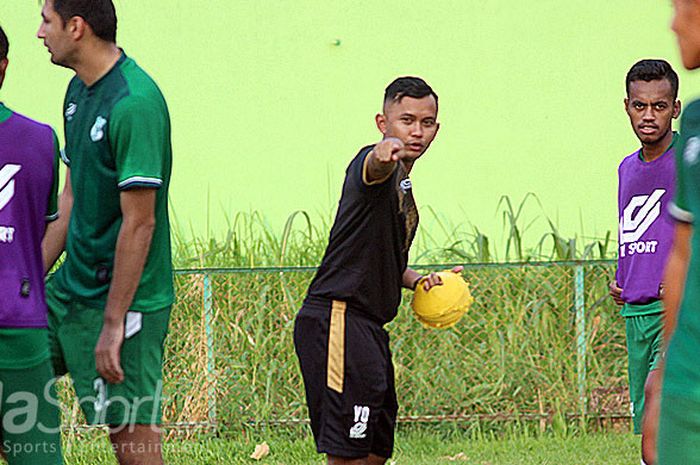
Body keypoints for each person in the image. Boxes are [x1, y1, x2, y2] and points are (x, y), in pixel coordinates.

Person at [294, 76, 461, 465]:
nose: (416, 131)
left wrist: (418, 279)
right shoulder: (374, 167)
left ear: (437, 128)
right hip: (339, 318)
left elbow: (387, 261)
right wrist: (381, 154)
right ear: (382, 123)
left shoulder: (403, 185)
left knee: (374, 451)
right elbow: (372, 167)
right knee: (347, 454)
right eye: (406, 120)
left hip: (369, 329)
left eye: (427, 122)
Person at [37, 1, 174, 464]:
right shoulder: (77, 92)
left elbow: (141, 223)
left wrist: (113, 324)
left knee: (132, 446)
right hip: (68, 293)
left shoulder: (135, 103)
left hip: (126, 304)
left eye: (46, 20)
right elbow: (70, 201)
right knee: (9, 380)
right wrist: (27, 286)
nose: (39, 33)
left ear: (76, 28)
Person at [609, 59, 680, 465]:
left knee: (659, 401)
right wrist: (624, 278)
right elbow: (636, 231)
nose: (649, 115)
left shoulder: (689, 162)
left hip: (678, 311)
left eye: (659, 105)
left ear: (675, 108)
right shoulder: (626, 169)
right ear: (627, 106)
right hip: (636, 314)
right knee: (655, 424)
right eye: (640, 106)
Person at [0, 24, 63, 465]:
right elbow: (45, 229)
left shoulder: (40, 140)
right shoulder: (41, 140)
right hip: (20, 323)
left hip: (20, 331)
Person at [657, 2, 700, 463]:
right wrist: (666, 370)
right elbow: (683, 253)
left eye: (681, 5)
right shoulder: (692, 122)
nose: (673, 22)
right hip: (688, 380)